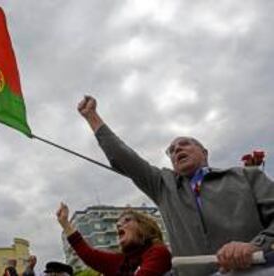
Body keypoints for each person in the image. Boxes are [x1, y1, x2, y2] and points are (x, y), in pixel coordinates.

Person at [77, 95, 274, 275]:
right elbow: (124, 157)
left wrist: (255, 245)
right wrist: (92, 117)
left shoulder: (246, 176)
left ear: (204, 153)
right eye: (171, 150)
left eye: (185, 143)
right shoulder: (163, 185)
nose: (177, 148)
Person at [56, 202, 171, 276]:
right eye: (118, 222)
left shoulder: (158, 252)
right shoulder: (122, 261)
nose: (118, 224)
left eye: (126, 220)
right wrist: (65, 224)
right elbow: (89, 255)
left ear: (144, 227)